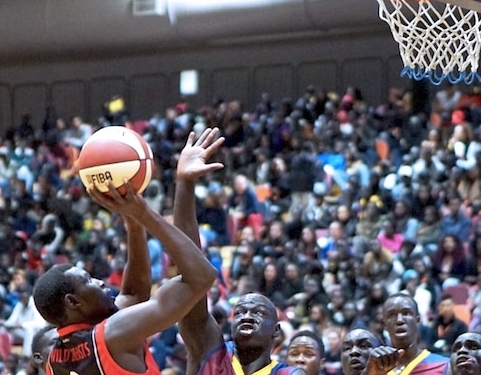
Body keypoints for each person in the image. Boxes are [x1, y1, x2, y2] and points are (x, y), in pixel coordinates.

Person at [31, 129, 220, 374]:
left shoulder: (54, 356)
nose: (100, 283)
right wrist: (144, 213)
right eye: (88, 280)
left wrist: (132, 223)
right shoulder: (114, 335)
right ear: (73, 301)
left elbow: (133, 294)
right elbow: (201, 277)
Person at [169, 130, 304, 375]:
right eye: (240, 312)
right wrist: (185, 185)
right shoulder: (209, 353)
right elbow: (188, 265)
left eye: (259, 312)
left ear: (277, 331)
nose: (247, 316)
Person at [364, 293, 448, 375]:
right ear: (385, 325)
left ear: (417, 320)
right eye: (391, 315)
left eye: (406, 313)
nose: (399, 320)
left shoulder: (444, 365)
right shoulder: (374, 368)